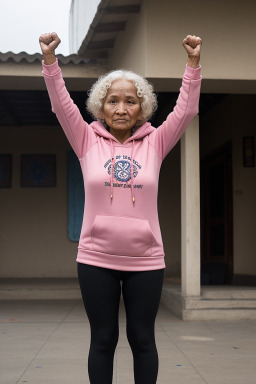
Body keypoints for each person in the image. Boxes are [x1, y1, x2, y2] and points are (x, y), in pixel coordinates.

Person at [39, 32, 202, 384]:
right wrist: (50, 61)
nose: (122, 108)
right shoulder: (85, 139)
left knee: (142, 339)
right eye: (113, 101)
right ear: (101, 106)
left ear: (142, 108)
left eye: (131, 101)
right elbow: (60, 103)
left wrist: (192, 65)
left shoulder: (157, 142)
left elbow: (186, 109)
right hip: (96, 258)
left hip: (146, 260)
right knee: (103, 340)